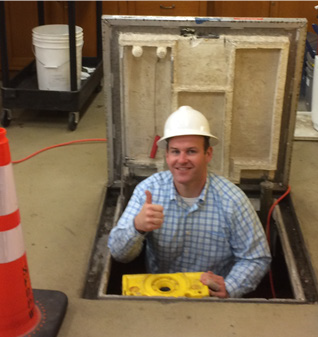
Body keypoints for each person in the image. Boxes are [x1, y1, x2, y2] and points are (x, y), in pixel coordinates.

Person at [108, 106, 271, 298]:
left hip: (211, 301)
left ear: (208, 154)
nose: (182, 160)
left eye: (191, 151)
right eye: (175, 152)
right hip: (160, 298)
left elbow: (256, 258)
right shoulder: (149, 191)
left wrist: (230, 287)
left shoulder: (232, 201)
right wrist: (137, 227)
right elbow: (118, 254)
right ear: (167, 156)